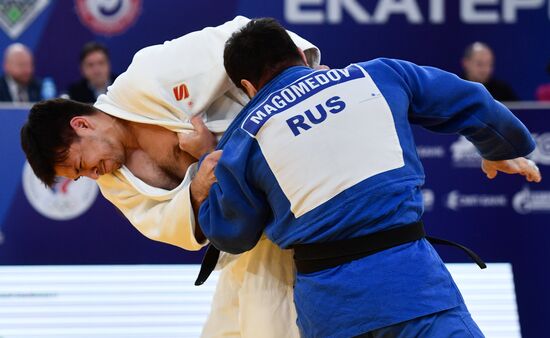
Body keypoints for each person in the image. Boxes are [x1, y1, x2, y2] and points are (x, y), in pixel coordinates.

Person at [198, 18, 542, 338]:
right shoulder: (378, 75)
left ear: (247, 86)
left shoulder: (243, 140)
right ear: (302, 55)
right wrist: (500, 147)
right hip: (414, 289)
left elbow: (232, 234)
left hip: (332, 312)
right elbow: (471, 101)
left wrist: (201, 184)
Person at [20, 16, 319, 338]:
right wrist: (197, 189)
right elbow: (165, 224)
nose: (91, 175)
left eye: (81, 165)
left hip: (288, 195)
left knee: (269, 324)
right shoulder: (113, 180)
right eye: (80, 177)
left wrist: (308, 79)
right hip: (244, 239)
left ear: (82, 125)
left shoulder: (148, 77)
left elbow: (242, 33)